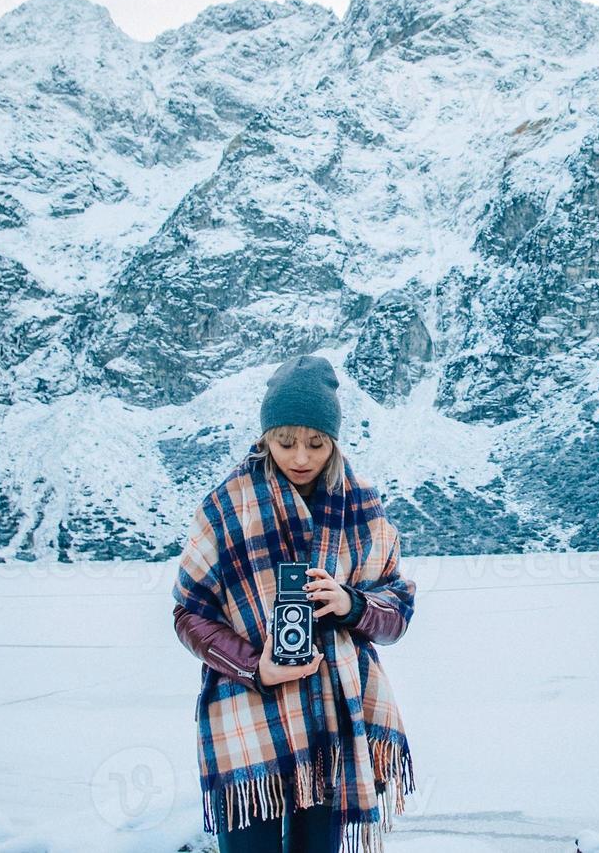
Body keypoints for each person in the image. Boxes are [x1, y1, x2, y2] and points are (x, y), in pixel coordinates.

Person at [172, 354, 417, 853]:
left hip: (333, 717)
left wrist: (351, 604)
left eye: (316, 443)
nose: (300, 457)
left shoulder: (362, 504)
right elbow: (189, 614)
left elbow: (398, 613)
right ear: (265, 437)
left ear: (335, 441)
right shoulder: (225, 506)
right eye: (285, 442)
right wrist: (254, 665)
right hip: (248, 715)